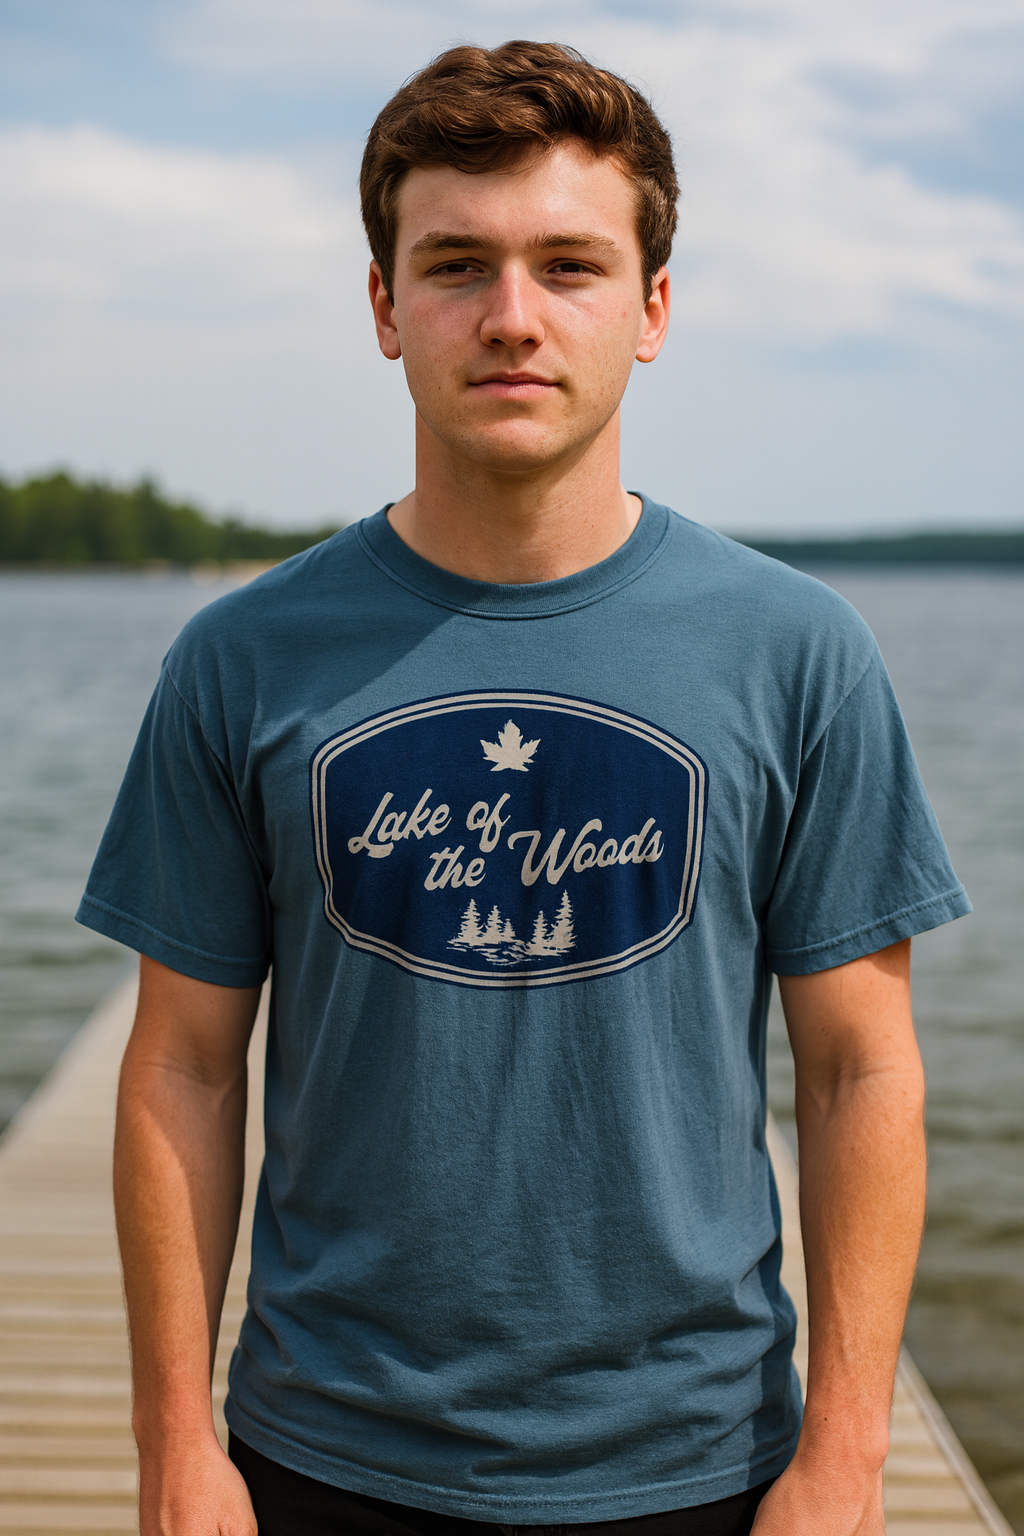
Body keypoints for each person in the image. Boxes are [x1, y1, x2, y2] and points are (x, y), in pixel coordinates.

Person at [78, 39, 970, 1536]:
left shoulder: (796, 652)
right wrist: (176, 1445)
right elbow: (182, 1065)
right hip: (321, 1447)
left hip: (705, 1456)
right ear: (383, 307)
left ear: (653, 308)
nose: (512, 319)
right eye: (455, 265)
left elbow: (859, 1070)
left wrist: (849, 1454)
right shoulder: (242, 659)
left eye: (570, 264)